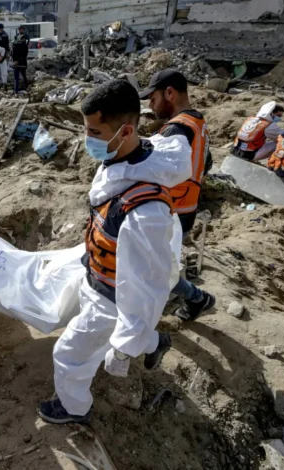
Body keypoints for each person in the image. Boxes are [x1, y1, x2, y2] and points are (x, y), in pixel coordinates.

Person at [37, 80, 191, 424]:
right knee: (99, 335)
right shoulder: (129, 156)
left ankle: (73, 408)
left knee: (68, 354)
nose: (87, 139)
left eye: (94, 132)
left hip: (110, 297)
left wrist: (124, 347)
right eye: (86, 129)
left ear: (125, 131)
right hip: (99, 275)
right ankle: (155, 342)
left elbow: (146, 286)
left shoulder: (145, 213)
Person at [140, 69, 216, 321]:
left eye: (153, 98)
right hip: (186, 208)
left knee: (151, 268)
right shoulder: (197, 122)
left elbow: (153, 170)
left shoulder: (177, 130)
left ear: (169, 93)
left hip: (170, 211)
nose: (150, 105)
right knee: (158, 265)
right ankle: (195, 298)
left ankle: (196, 299)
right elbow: (207, 162)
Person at [12, 25, 30, 95]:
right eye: (19, 29)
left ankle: (27, 88)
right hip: (16, 63)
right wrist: (14, 61)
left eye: (21, 29)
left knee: (24, 75)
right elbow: (13, 54)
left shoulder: (25, 45)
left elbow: (24, 55)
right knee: (16, 77)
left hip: (22, 62)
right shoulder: (15, 45)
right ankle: (16, 91)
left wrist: (18, 61)